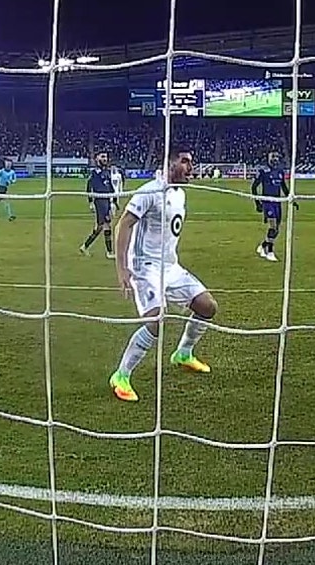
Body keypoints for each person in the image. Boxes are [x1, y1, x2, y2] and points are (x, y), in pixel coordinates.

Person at [109, 148, 218, 403]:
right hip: (146, 267)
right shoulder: (150, 191)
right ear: (169, 164)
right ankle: (121, 375)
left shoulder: (180, 194)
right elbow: (123, 224)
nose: (191, 167)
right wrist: (122, 268)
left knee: (207, 307)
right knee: (156, 320)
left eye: (191, 161)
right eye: (184, 161)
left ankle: (183, 353)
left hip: (171, 267)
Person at [252, 151, 294, 262]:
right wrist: (257, 203)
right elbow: (254, 187)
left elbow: (284, 187)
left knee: (276, 230)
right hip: (268, 202)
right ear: (269, 158)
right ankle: (270, 252)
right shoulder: (263, 171)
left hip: (277, 202)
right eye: (273, 157)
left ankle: (262, 246)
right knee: (273, 226)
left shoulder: (280, 172)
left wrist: (291, 199)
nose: (275, 159)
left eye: (277, 157)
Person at [80, 151, 117, 259]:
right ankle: (109, 252)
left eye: (106, 157)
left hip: (106, 201)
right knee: (107, 225)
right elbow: (89, 187)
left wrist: (114, 201)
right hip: (100, 201)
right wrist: (90, 201)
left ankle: (85, 246)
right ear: (97, 158)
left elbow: (110, 187)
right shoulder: (95, 173)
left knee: (100, 227)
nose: (105, 159)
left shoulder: (106, 171)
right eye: (102, 156)